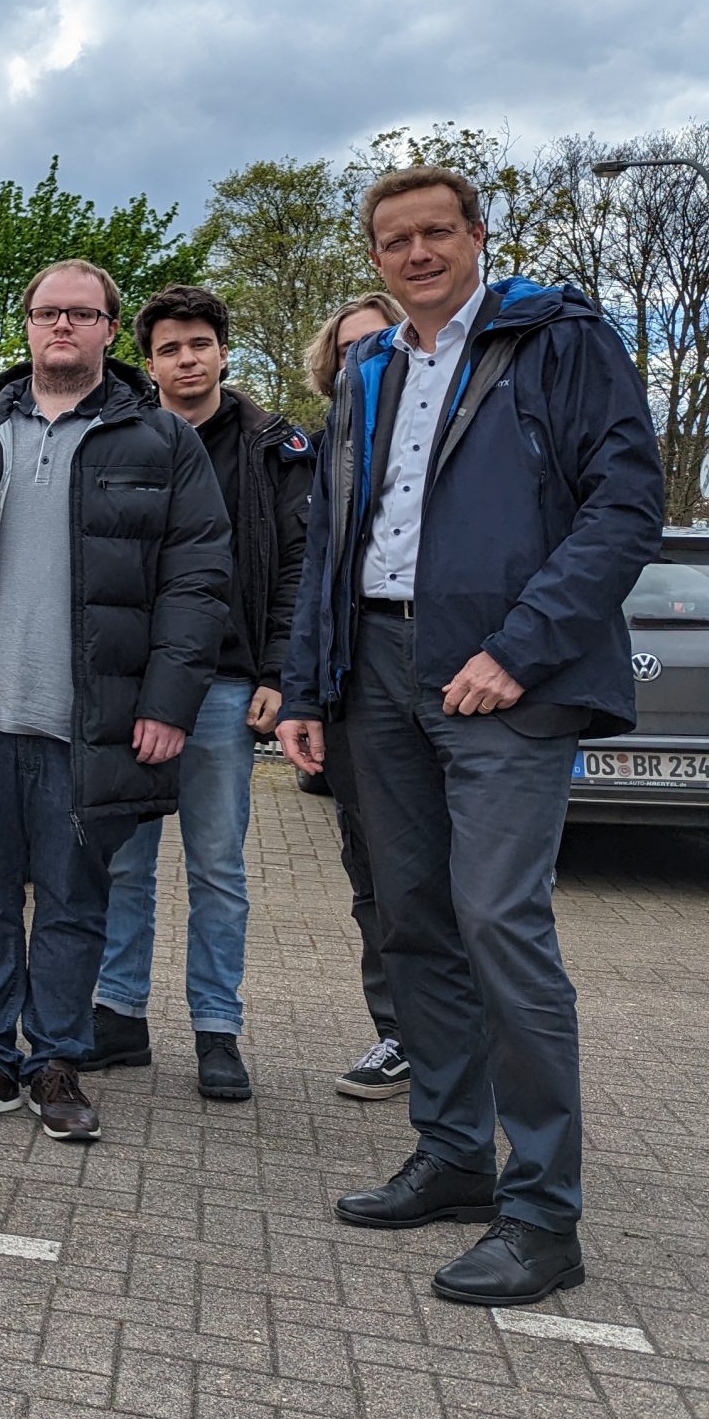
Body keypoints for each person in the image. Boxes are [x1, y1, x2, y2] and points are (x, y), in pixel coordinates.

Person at [280, 165, 662, 1308]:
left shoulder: (560, 339)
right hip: (374, 673)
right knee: (410, 917)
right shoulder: (369, 369)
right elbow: (331, 535)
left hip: (502, 677)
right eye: (393, 239)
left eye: (435, 231)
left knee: (499, 921)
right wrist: (305, 686)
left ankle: (542, 1214)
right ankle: (453, 1154)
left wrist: (520, 649)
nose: (416, 252)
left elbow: (624, 506)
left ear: (476, 234)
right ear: (373, 256)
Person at [0, 261, 230, 1144]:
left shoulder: (161, 442)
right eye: (47, 312)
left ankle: (57, 1060)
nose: (62, 325)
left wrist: (168, 703)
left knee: (76, 902)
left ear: (109, 327)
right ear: (28, 325)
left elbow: (196, 582)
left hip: (91, 723)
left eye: (81, 312)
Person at [80, 285, 312, 1102]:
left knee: (217, 867)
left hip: (225, 684)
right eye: (170, 349)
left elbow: (295, 567)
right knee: (124, 862)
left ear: (222, 352)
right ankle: (118, 1016)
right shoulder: (121, 438)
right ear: (148, 363)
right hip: (132, 682)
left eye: (199, 345)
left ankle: (218, 1029)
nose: (187, 360)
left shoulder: (271, 448)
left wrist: (278, 674)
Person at [301, 290, 413, 1101]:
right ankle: (399, 1034)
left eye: (381, 341)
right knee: (370, 876)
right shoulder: (327, 452)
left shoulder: (433, 439)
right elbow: (312, 582)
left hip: (430, 690)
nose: (365, 357)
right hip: (351, 693)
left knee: (435, 883)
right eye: (350, 349)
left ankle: (460, 1040)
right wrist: (303, 696)